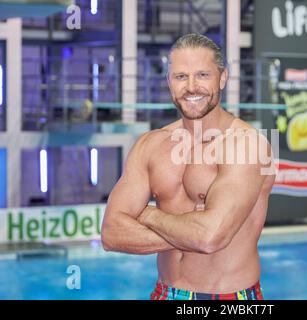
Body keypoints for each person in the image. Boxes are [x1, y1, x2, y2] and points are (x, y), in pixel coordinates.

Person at [101, 33, 276, 300]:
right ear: (169, 82)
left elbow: (209, 238)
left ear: (223, 78)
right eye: (181, 76)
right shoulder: (150, 145)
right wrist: (192, 229)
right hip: (165, 292)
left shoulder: (247, 145)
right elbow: (111, 234)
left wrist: (148, 214)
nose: (192, 87)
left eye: (203, 75)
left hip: (229, 297)